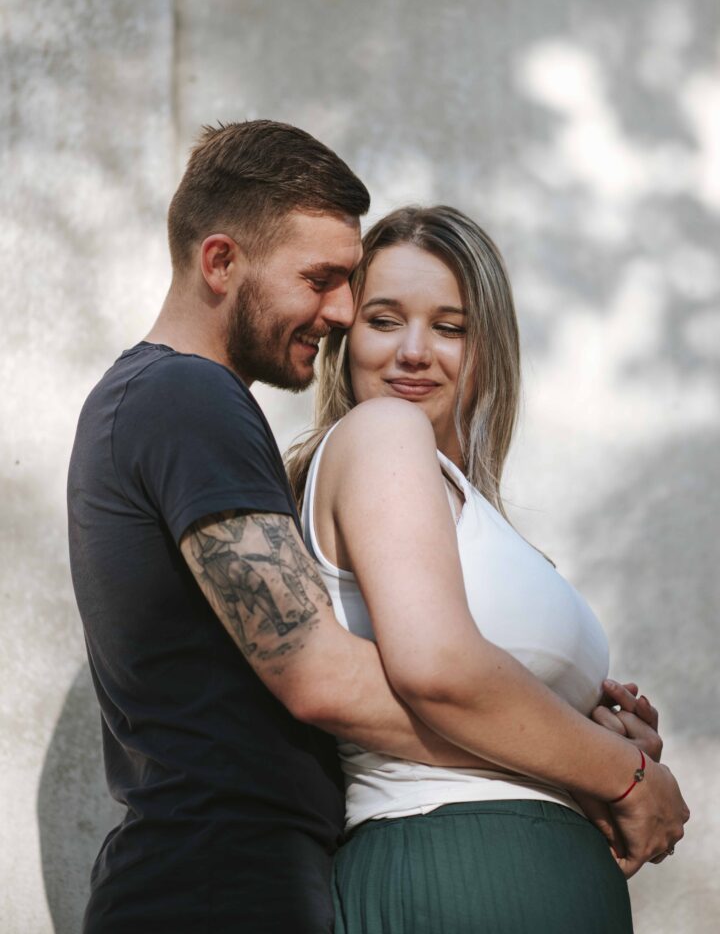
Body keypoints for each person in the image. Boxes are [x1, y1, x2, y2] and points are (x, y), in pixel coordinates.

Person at [68, 122, 684, 934]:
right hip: (212, 885)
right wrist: (603, 770)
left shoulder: (185, 407)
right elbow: (326, 675)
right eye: (323, 280)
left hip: (255, 878)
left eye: (450, 326)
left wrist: (578, 728)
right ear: (220, 262)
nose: (339, 310)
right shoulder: (188, 395)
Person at [286, 204, 690, 933]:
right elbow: (438, 666)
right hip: (458, 869)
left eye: (450, 328)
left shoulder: (466, 505)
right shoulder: (381, 431)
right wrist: (626, 775)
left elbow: (489, 700)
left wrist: (601, 730)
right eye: (384, 320)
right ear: (346, 340)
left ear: (488, 349)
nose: (414, 351)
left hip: (531, 875)